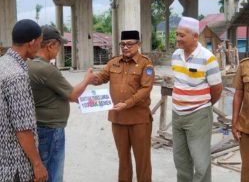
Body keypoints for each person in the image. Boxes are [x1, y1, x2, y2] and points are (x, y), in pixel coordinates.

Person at [27, 25, 93, 182]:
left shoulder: (29, 65)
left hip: (40, 127)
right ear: (51, 45)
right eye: (59, 46)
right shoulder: (46, 69)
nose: (59, 50)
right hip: (50, 130)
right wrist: (87, 79)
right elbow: (73, 94)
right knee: (52, 174)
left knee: (42, 172)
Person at [90, 30, 154, 182]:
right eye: (123, 44)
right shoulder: (114, 62)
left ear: (138, 44)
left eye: (130, 44)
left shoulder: (146, 64)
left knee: (142, 160)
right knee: (123, 160)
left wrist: (127, 103)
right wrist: (90, 79)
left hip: (139, 120)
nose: (126, 47)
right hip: (118, 119)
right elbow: (101, 78)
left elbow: (146, 89)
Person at [171, 17, 222, 182]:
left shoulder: (208, 58)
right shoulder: (176, 55)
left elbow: (216, 89)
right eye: (177, 34)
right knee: (181, 163)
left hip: (198, 116)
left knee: (201, 164)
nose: (178, 39)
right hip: (177, 115)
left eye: (182, 35)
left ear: (194, 36)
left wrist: (202, 105)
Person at [0, 19, 48, 182]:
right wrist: (37, 164)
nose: (40, 47)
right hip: (15, 167)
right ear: (32, 42)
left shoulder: (2, 64)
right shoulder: (17, 76)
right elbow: (22, 128)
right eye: (40, 42)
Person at [232, 57, 249, 182]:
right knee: (247, 170)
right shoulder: (244, 65)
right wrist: (234, 124)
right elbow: (238, 94)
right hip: (247, 127)